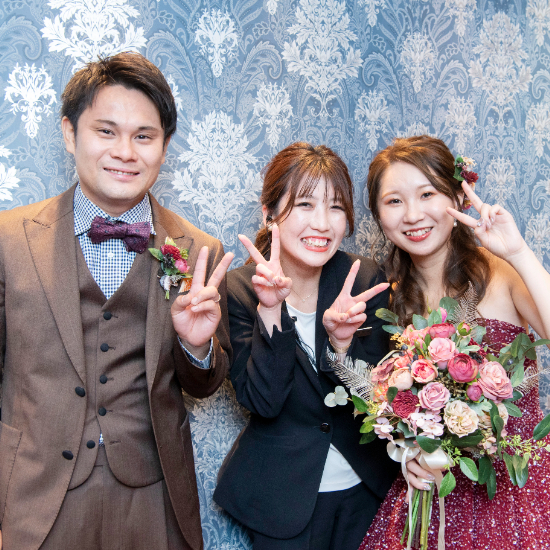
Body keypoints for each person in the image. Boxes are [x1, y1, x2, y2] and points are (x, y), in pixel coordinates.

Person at [0, 52, 233, 550]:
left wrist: (196, 347)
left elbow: (206, 383)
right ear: (70, 133)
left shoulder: (200, 250)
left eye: (144, 136)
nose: (125, 152)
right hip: (35, 498)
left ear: (164, 147)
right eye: (106, 131)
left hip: (154, 498)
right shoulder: (8, 239)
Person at [358, 135, 550, 550]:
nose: (413, 215)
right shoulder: (390, 301)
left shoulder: (501, 274)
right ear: (378, 214)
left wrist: (519, 253)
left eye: (427, 194)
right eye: (394, 201)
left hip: (516, 488)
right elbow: (394, 412)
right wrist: (408, 457)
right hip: (433, 499)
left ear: (458, 196)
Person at [213, 142, 399, 550]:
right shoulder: (239, 291)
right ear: (270, 213)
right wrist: (270, 311)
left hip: (366, 489)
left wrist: (341, 346)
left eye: (335, 207)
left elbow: (380, 401)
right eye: (304, 204)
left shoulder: (362, 279)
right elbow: (263, 402)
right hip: (281, 498)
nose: (322, 223)